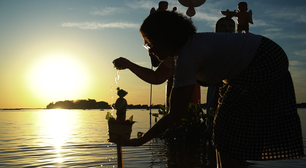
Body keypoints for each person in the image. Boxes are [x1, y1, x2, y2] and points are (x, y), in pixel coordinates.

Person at [112, 11, 304, 168]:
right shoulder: (180, 52)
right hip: (264, 56)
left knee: (227, 130)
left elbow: (176, 112)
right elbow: (156, 77)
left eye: (150, 43)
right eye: (147, 45)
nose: (150, 49)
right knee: (224, 131)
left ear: (166, 38)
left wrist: (141, 140)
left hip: (264, 60)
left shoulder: (188, 55)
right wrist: (129, 64)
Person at [206, 17, 236, 115]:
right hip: (216, 85)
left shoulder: (239, 45)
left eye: (231, 26)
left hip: (236, 86)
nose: (227, 28)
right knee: (214, 112)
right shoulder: (212, 46)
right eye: (222, 26)